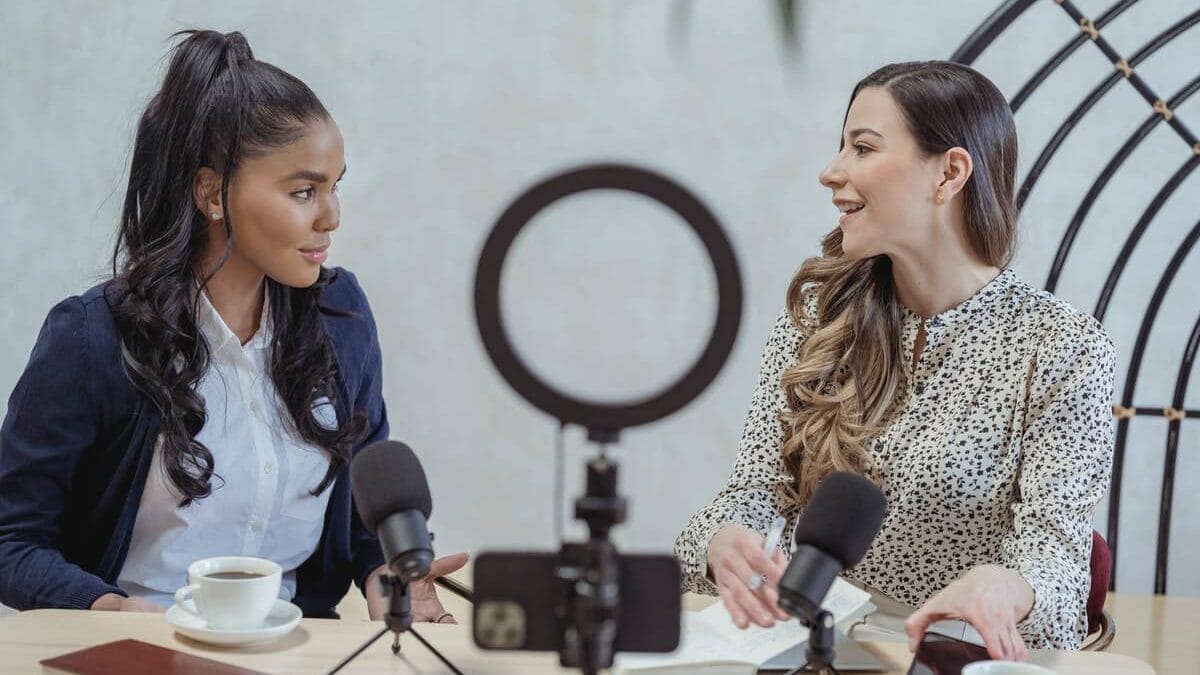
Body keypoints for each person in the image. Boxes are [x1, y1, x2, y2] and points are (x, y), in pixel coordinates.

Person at [0, 30, 465, 621]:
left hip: (295, 653)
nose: (332, 217)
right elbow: (10, 540)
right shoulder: (93, 338)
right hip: (136, 653)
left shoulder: (340, 318)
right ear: (211, 192)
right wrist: (106, 607)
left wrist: (387, 576)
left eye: (334, 186)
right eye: (304, 190)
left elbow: (361, 517)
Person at [674, 61, 1115, 660]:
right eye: (842, 147)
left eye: (863, 148)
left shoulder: (1064, 346)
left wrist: (1009, 587)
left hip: (950, 659)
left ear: (950, 173)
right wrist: (723, 541)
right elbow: (756, 490)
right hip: (806, 650)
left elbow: (1059, 561)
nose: (831, 172)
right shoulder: (818, 315)